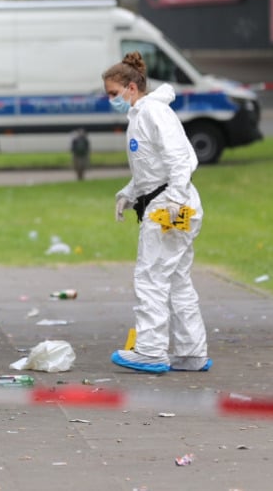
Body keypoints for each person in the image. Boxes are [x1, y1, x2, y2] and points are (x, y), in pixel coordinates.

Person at [103, 51, 210, 373]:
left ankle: (150, 350)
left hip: (169, 206)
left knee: (151, 276)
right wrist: (129, 194)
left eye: (113, 93)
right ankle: (191, 352)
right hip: (173, 202)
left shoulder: (153, 112)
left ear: (131, 88)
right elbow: (152, 169)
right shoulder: (141, 115)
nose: (111, 100)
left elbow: (179, 158)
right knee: (176, 278)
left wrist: (174, 199)